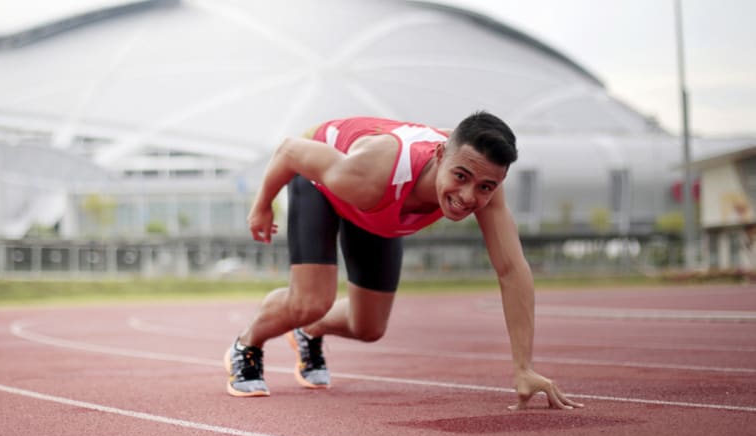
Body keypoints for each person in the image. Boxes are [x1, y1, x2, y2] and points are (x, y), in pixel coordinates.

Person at [224, 112, 582, 410]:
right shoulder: (369, 171)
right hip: (327, 184)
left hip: (377, 211)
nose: (468, 197)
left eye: (485, 187)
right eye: (461, 178)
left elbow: (512, 270)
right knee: (312, 301)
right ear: (441, 155)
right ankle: (247, 345)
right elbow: (288, 150)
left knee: (369, 328)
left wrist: (524, 368)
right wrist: (261, 206)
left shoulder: (483, 176)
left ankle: (310, 330)